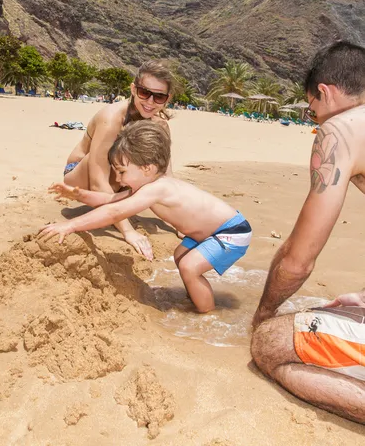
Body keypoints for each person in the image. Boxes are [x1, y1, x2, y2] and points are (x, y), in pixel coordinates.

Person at [251, 40, 365, 424]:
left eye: (311, 107)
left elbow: (299, 261)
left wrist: (264, 313)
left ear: (325, 92)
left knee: (270, 343)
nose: (313, 117)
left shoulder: (341, 130)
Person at [39, 121, 252, 313]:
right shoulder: (148, 185)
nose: (119, 179)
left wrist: (71, 226)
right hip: (210, 232)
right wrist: (78, 194)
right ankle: (196, 295)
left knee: (189, 267)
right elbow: (111, 200)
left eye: (122, 172)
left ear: (147, 168)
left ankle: (207, 315)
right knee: (180, 257)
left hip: (230, 232)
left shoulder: (158, 189)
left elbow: (115, 211)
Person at [62, 60, 174, 259]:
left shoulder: (160, 126)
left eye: (158, 97)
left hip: (118, 176)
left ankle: (117, 196)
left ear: (167, 99)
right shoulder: (112, 118)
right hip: (80, 173)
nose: (149, 102)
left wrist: (177, 222)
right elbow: (97, 181)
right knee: (113, 158)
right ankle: (116, 205)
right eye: (144, 93)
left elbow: (166, 178)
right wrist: (128, 231)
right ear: (133, 89)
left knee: (153, 168)